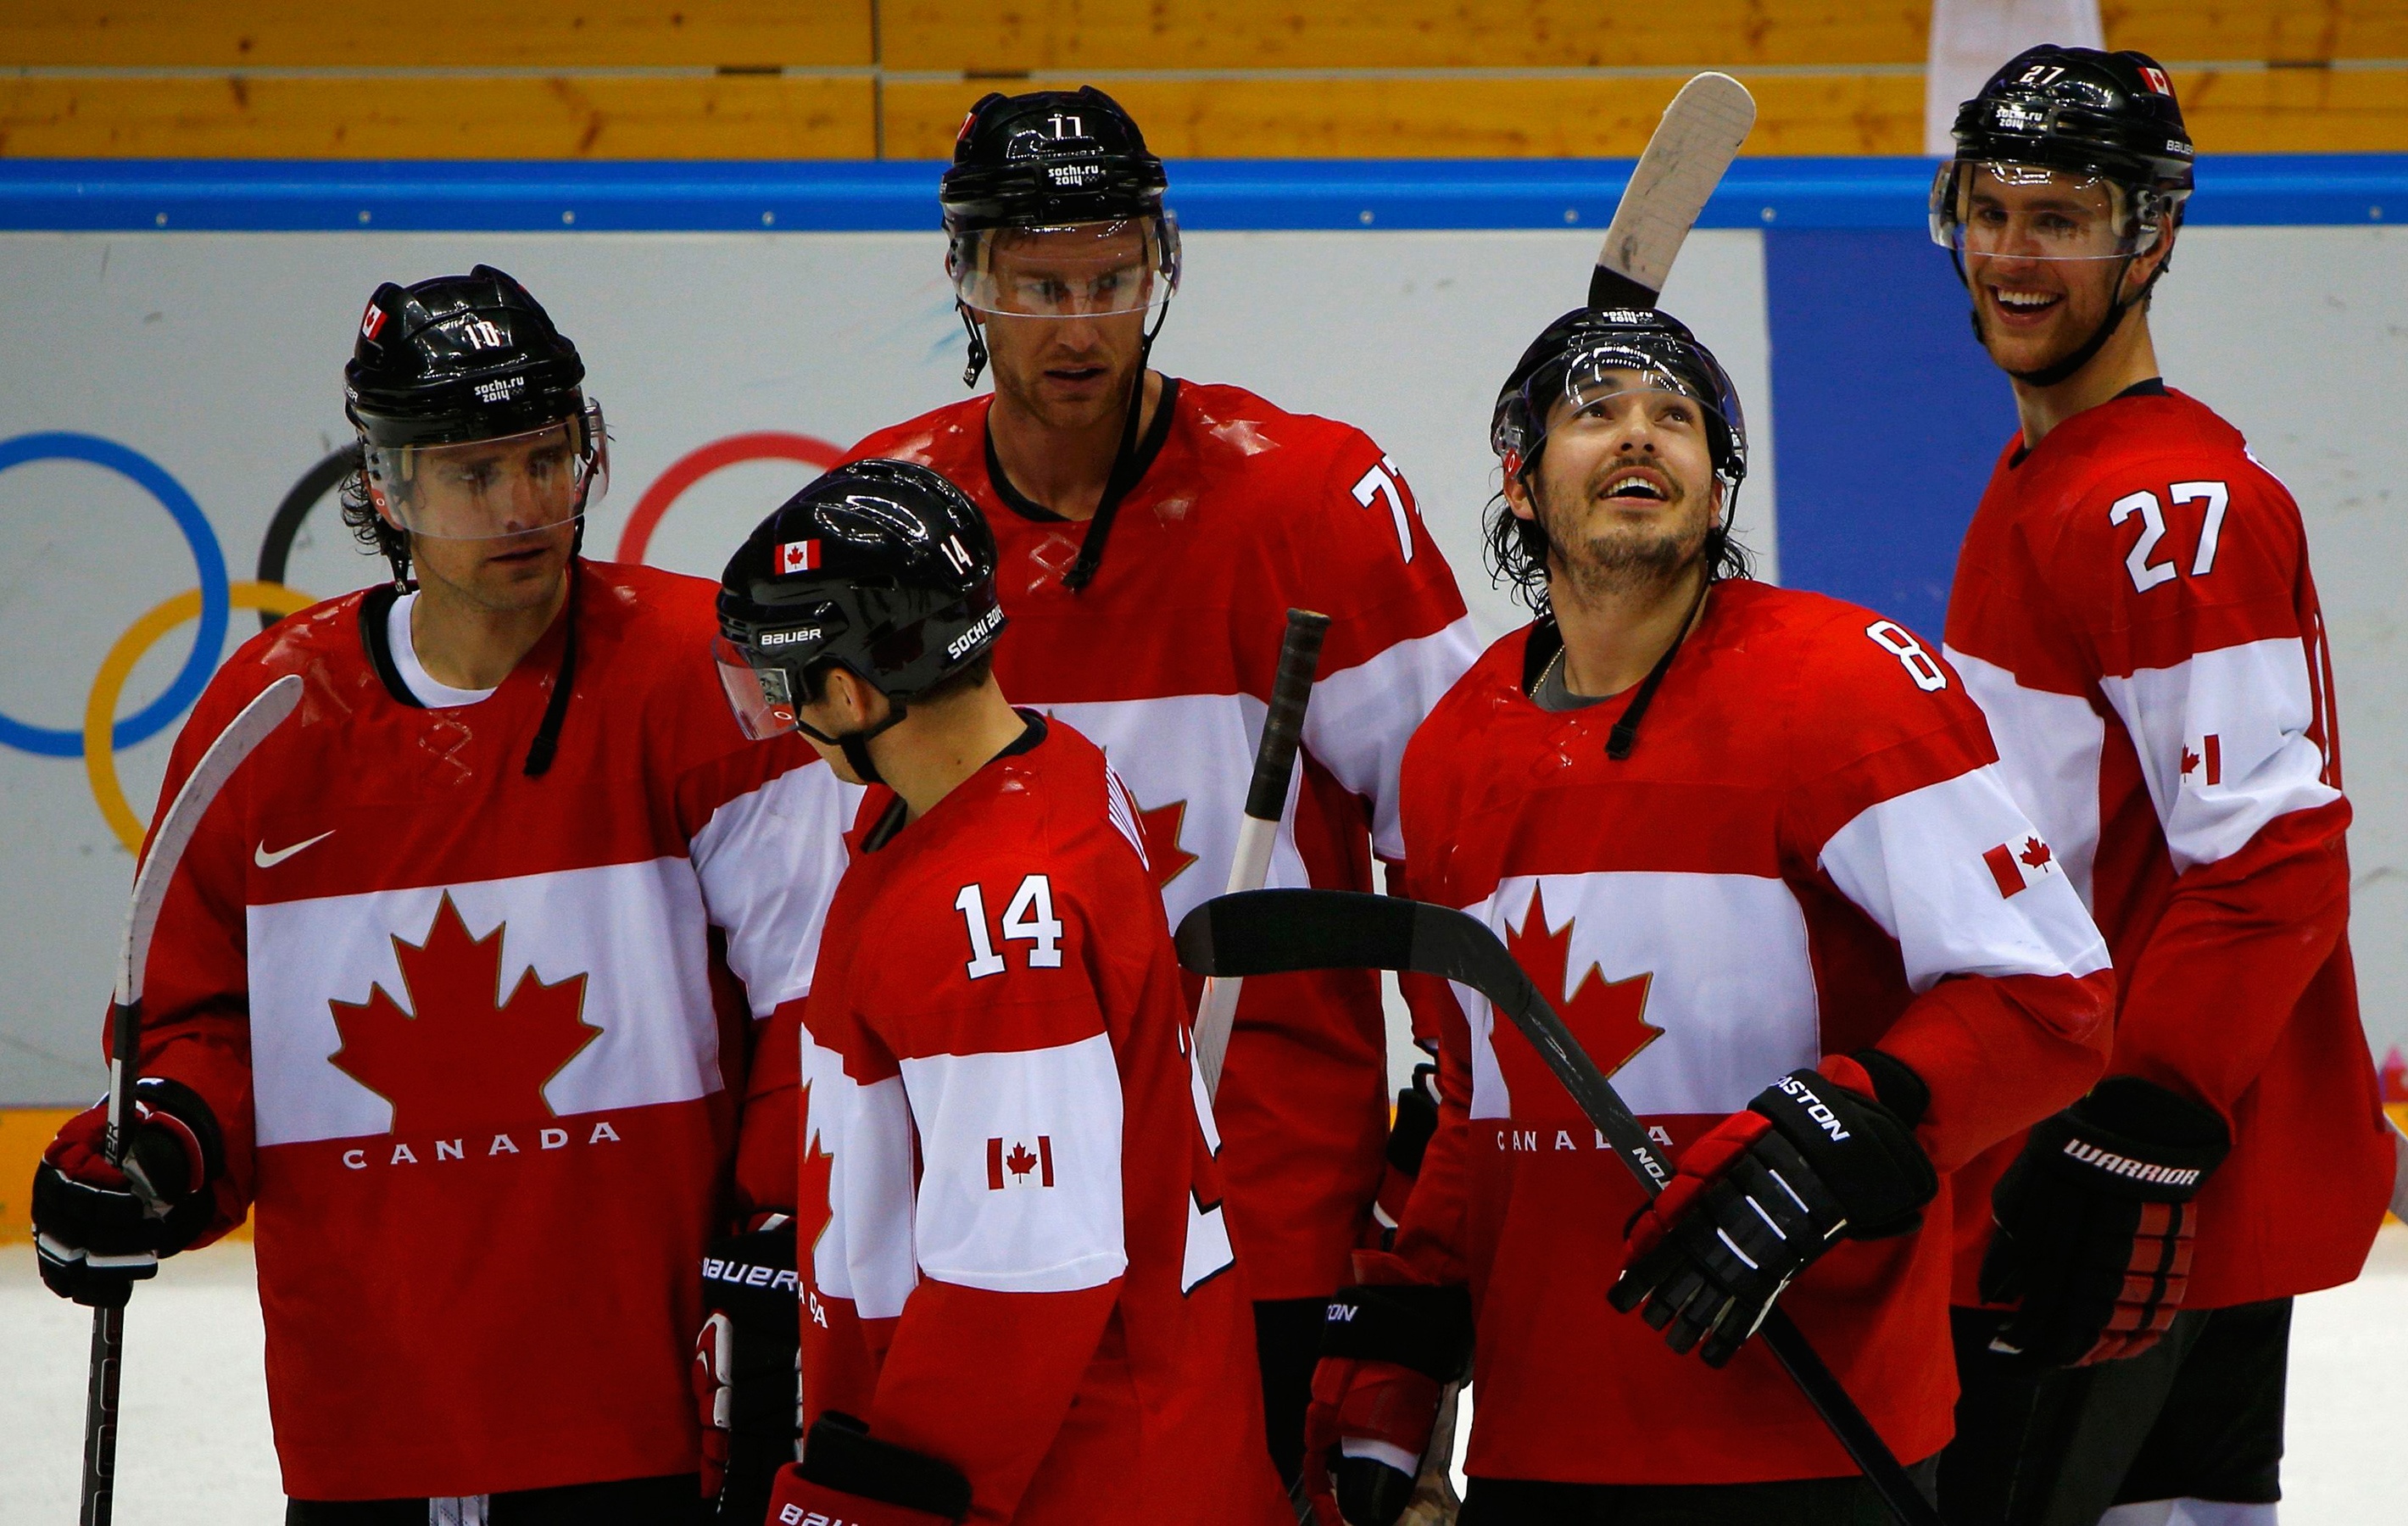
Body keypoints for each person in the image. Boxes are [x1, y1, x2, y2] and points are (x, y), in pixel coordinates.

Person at [28, 266, 850, 1523]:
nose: (522, 506)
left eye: (549, 458)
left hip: (650, 1404)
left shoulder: (703, 681)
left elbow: (817, 996)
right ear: (386, 488)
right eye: (474, 473)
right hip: (371, 1410)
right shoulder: (271, 716)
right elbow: (202, 1025)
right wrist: (158, 1156)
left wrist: (779, 1226)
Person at [1300, 305, 2116, 1525]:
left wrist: (1853, 1123)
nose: (1642, 434)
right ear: (1518, 483)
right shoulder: (1454, 746)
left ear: (1718, 489)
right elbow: (1479, 1097)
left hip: (1815, 1435)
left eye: (1676, 418)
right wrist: (1414, 1340)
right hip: (1542, 1447)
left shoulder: (1846, 689)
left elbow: (2053, 999)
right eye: (1597, 413)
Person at [839, 84, 1482, 1484]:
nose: (1079, 327)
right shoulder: (889, 518)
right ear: (967, 279)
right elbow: (839, 891)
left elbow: (1455, 829)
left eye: (1111, 280)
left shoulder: (1312, 496)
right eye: (1038, 284)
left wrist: (1447, 1130)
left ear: (1160, 270)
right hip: (984, 1211)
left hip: (1270, 1204)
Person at [1929, 47, 2393, 1525]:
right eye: (1986, 209)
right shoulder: (2050, 476)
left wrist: (2139, 1123)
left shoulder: (2164, 506)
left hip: (2121, 1192)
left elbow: (2270, 872)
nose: (2012, 254)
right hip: (2095, 1164)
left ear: (2153, 235)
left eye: (2058, 216)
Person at [709, 457, 1290, 1525]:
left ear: (852, 692)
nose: (779, 715)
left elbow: (1024, 1274)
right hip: (1126, 1434)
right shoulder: (1047, 767)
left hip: (1079, 1480)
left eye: (783, 683)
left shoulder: (988, 910)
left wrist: (882, 1507)